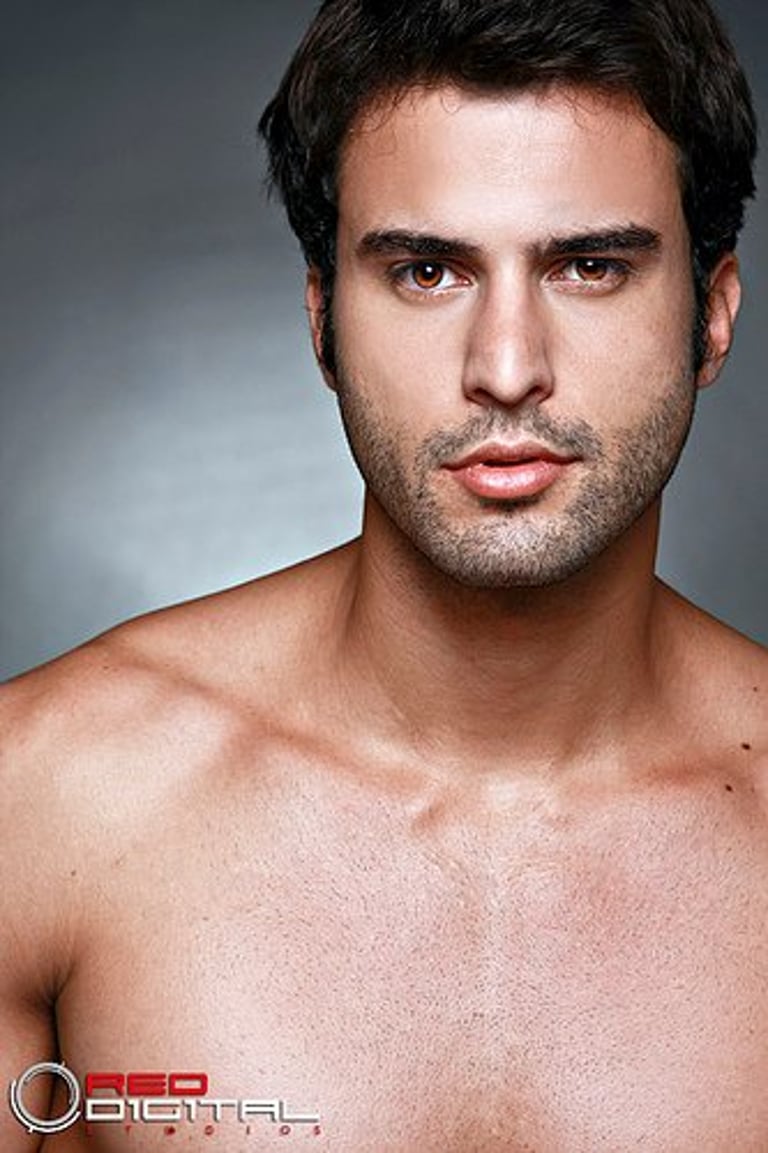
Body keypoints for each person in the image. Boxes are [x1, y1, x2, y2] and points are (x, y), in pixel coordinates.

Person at [1, 0, 766, 1148]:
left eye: (591, 266)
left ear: (710, 314)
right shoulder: (46, 802)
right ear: (323, 322)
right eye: (426, 271)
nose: (507, 370)